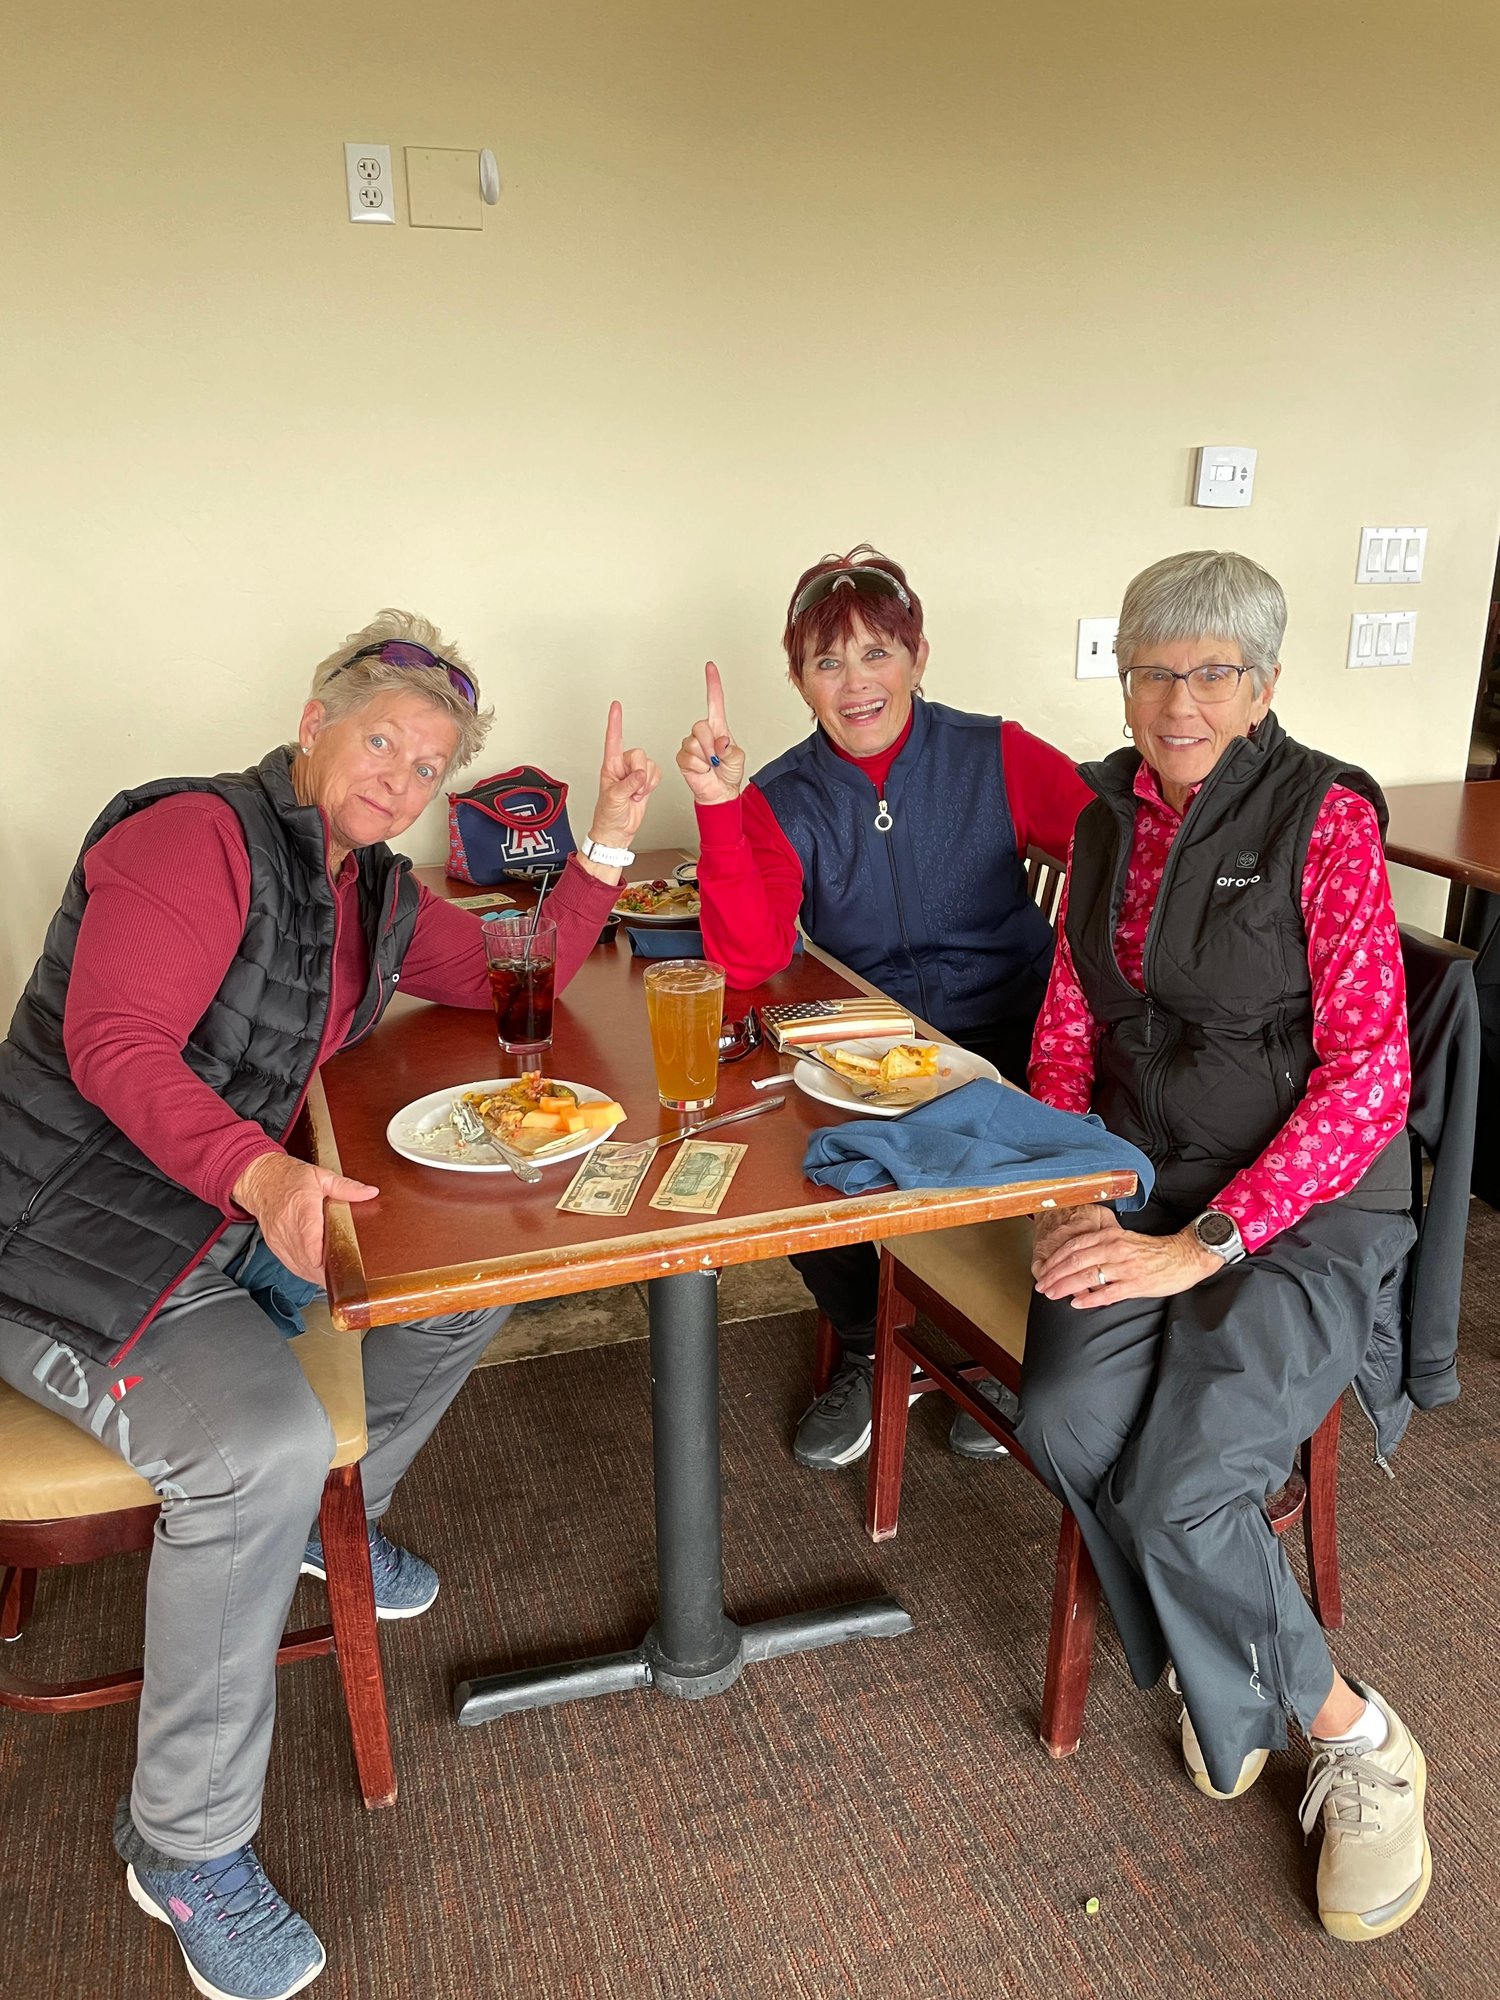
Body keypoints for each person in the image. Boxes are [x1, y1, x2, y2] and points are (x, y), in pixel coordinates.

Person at [0, 612, 660, 2000]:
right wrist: (258, 1174)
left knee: (457, 1292)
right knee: (259, 1450)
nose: (399, 781)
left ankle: (299, 1536)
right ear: (314, 724)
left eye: (428, 767)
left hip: (217, 1224)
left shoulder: (371, 889)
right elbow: (109, 1043)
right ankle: (180, 1847)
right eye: (381, 745)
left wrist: (603, 841)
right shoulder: (194, 837)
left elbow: (503, 979)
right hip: (64, 1242)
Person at [1017, 550, 1430, 1943]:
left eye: (1211, 673)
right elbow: (1070, 1020)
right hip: (1141, 1184)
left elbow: (1375, 1068)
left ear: (1262, 686)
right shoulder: (1102, 822)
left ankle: (1361, 1740)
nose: (1177, 701)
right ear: (1121, 675)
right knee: (1066, 1421)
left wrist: (1212, 1239)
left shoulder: (1324, 819)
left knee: (1183, 1491)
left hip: (1305, 1209)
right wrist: (1067, 1186)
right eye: (1151, 670)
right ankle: (1225, 1658)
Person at [676, 547, 1090, 1471]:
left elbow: (1115, 854)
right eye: (828, 662)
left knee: (1048, 1133)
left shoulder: (998, 752)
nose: (856, 682)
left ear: (918, 656)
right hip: (867, 1047)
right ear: (798, 678)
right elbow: (748, 956)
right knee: (774, 1151)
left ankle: (1006, 1337)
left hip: (1012, 1032)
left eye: (877, 654)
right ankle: (871, 1341)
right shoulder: (779, 796)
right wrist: (719, 807)